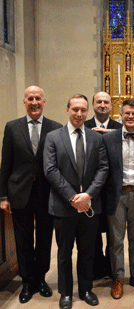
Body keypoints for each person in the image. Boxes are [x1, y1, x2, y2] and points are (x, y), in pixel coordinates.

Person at [43, 94, 108, 309]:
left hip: (89, 205)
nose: (79, 114)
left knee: (87, 251)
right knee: (64, 253)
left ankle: (86, 289)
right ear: (67, 110)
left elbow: (102, 168)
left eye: (83, 110)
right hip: (63, 206)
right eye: (75, 109)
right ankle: (65, 293)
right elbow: (50, 170)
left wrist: (87, 195)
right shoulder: (53, 137)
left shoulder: (96, 138)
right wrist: (73, 197)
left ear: (87, 112)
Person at [0, 86, 62, 304]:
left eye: (38, 98)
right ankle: (27, 282)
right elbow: (5, 163)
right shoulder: (12, 127)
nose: (34, 102)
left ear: (44, 102)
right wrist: (3, 196)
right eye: (30, 99)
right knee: (23, 239)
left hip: (46, 193)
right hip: (20, 192)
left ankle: (41, 279)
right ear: (24, 102)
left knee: (45, 239)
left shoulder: (56, 128)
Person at [103, 99, 134, 299]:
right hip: (117, 195)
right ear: (121, 116)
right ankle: (118, 278)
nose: (131, 117)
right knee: (116, 241)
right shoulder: (109, 139)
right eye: (127, 113)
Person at [85, 91, 122, 280]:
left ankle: (112, 268)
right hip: (90, 190)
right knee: (93, 233)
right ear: (93, 105)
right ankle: (96, 269)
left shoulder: (120, 128)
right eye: (98, 102)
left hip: (112, 190)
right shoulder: (84, 127)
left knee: (113, 234)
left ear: (111, 106)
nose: (102, 105)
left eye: (106, 102)